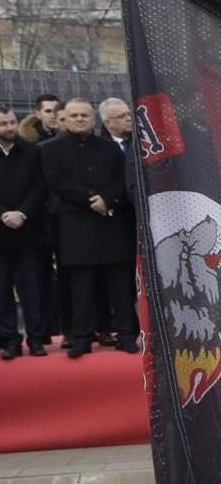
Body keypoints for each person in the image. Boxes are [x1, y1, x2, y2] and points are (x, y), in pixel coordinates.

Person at [40, 98, 137, 356]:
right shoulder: (51, 149)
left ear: (94, 119)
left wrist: (107, 198)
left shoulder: (109, 148)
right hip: (75, 225)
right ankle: (82, 336)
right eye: (75, 115)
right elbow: (55, 181)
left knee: (120, 284)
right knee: (80, 287)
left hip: (111, 223)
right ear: (66, 118)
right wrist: (90, 198)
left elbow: (122, 179)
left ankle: (127, 334)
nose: (80, 119)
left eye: (85, 115)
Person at [0, 107, 47, 358]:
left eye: (11, 122)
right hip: (1, 232)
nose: (8, 127)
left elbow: (40, 187)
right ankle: (10, 339)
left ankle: (36, 339)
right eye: (3, 124)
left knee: (32, 288)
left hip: (28, 231)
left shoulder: (33, 151)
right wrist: (4, 214)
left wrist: (22, 213)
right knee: (2, 289)